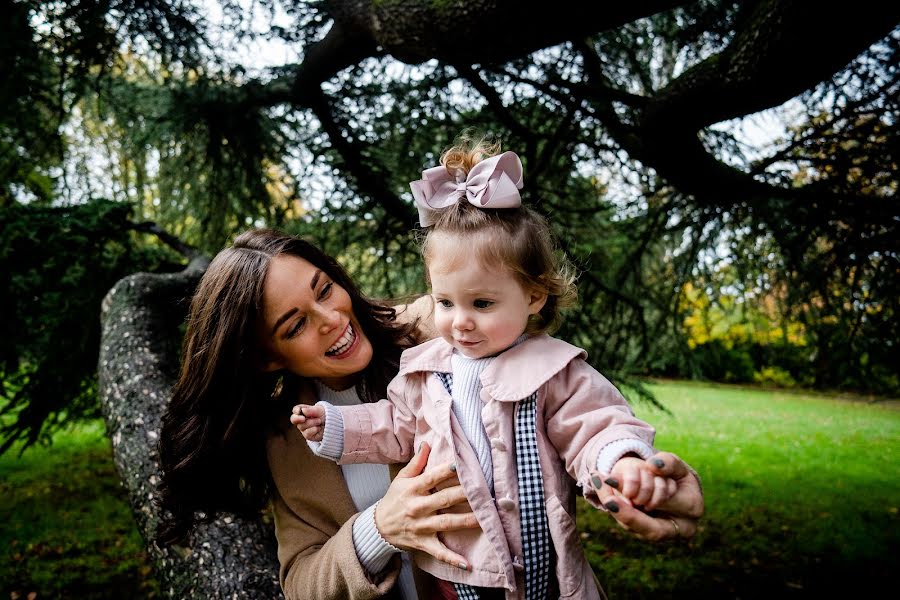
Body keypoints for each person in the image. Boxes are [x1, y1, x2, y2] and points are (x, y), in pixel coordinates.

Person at [156, 226, 703, 600]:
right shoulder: (291, 436)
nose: (330, 318)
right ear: (267, 357)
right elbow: (302, 581)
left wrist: (629, 465)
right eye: (294, 325)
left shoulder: (441, 332)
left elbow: (567, 406)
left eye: (325, 289)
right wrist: (379, 528)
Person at [293, 138, 698, 600]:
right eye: (445, 301)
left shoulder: (552, 370)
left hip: (543, 564)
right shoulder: (426, 369)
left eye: (482, 303)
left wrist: (620, 461)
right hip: (459, 564)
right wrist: (336, 425)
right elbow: (396, 425)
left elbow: (593, 424)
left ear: (533, 296)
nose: (460, 320)